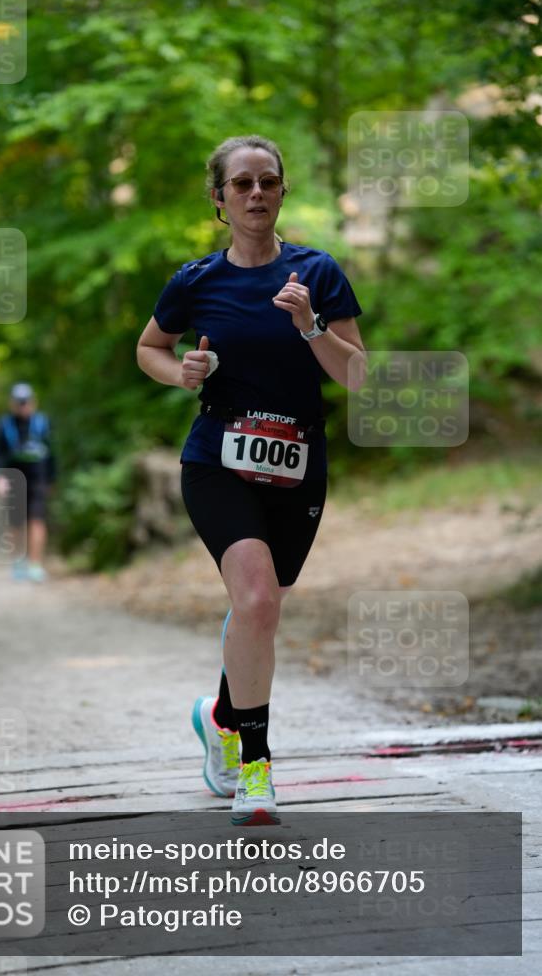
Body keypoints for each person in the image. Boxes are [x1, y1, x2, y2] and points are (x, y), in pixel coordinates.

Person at [137, 134, 367, 826]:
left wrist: (309, 325)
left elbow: (357, 374)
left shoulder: (316, 273)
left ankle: (218, 715)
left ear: (282, 191)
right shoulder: (196, 280)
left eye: (268, 180)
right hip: (218, 460)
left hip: (297, 466)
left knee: (262, 608)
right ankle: (255, 769)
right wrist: (179, 372)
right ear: (218, 199)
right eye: (241, 184)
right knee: (257, 596)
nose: (256, 192)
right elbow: (150, 346)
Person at [0, 383, 56, 583]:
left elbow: (52, 453)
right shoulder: (5, 424)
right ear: (12, 403)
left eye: (26, 402)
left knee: (37, 520)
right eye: (19, 402)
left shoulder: (43, 423)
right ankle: (18, 562)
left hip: (38, 478)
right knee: (16, 523)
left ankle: (35, 564)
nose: (23, 406)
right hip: (13, 479)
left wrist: (52, 479)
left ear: (33, 401)